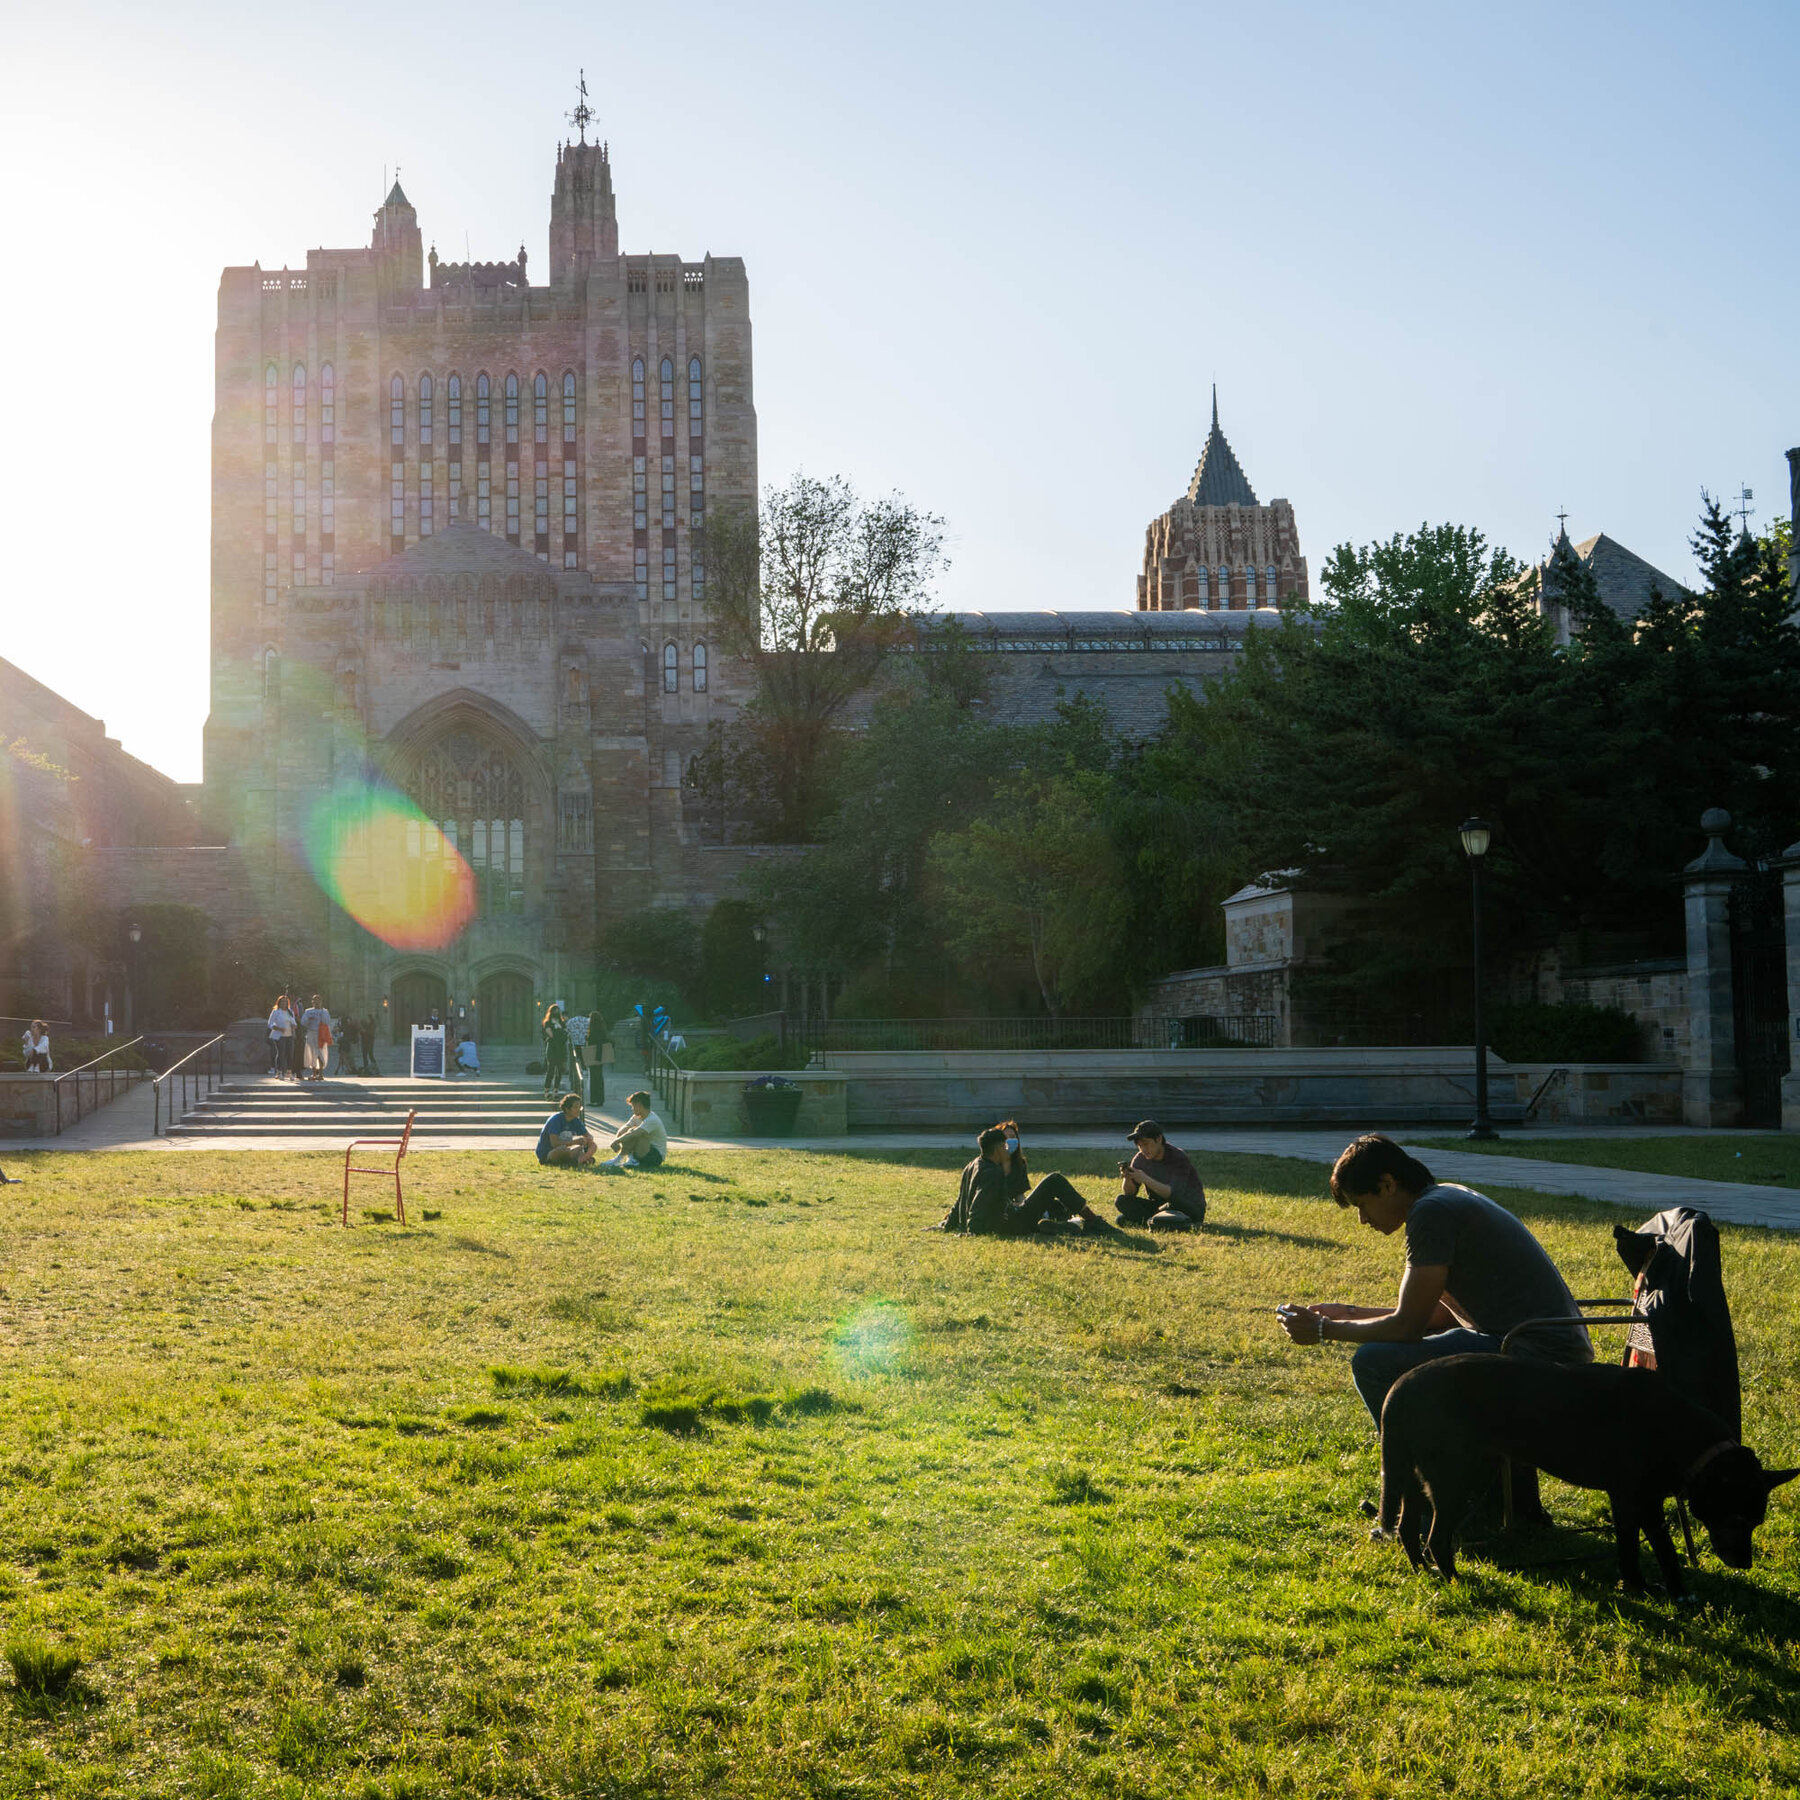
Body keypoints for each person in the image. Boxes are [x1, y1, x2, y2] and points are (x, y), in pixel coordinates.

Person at [1275, 1133, 1592, 1526]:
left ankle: (1426, 1502)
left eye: (1362, 1204)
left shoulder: (1431, 1213)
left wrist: (1324, 1329)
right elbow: (1437, 1317)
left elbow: (1407, 1328)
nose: (1362, 1220)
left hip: (1533, 1355)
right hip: (1538, 1345)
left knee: (1374, 1363)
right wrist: (1348, 1313)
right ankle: (1467, 1499)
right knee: (1394, 1355)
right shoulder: (1446, 1197)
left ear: (1388, 1185)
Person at [1114, 1120, 1207, 1229]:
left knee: (1171, 1204)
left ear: (1158, 1139)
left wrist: (1145, 1179)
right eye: (1139, 1145)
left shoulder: (1178, 1157)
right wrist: (1127, 1178)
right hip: (1159, 1206)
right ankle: (1160, 1223)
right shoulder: (1140, 1159)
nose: (1143, 1149)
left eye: (1146, 1144)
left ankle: (1155, 1222)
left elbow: (1174, 1194)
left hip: (1186, 1205)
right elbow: (1130, 1193)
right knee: (1122, 1201)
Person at [599, 1090, 668, 1170]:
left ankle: (626, 1160)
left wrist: (616, 1141)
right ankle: (624, 1160)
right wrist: (617, 1138)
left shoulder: (652, 1119)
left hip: (655, 1157)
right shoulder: (636, 1117)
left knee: (637, 1133)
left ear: (639, 1105)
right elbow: (624, 1129)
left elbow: (635, 1133)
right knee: (629, 1131)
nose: (632, 1109)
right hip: (643, 1151)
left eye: (633, 1106)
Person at [536, 1091, 597, 1168]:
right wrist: (575, 1142)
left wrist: (588, 1139)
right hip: (550, 1153)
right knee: (568, 1150)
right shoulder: (556, 1120)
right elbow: (554, 1143)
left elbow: (588, 1135)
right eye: (575, 1107)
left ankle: (578, 1161)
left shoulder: (575, 1120)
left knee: (593, 1145)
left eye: (579, 1107)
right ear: (567, 1109)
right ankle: (584, 1159)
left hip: (568, 1150)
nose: (578, 1110)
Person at [541, 1003, 572, 1099]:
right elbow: (551, 1035)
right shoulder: (548, 1023)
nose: (556, 1013)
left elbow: (566, 1034)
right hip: (552, 1049)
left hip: (561, 1049)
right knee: (550, 1070)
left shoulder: (562, 1023)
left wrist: (560, 1033)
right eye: (555, 1011)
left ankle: (556, 1091)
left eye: (558, 1011)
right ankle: (546, 1090)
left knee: (559, 1071)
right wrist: (560, 1034)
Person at [301, 994, 330, 1081]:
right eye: (315, 1000)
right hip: (311, 1033)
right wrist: (309, 1019)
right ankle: (313, 1073)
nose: (316, 1002)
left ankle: (320, 1073)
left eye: (318, 1000)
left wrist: (321, 1016)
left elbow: (327, 1022)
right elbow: (303, 1022)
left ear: (321, 1002)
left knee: (320, 1054)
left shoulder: (324, 1011)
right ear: (312, 1002)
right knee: (312, 1053)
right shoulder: (308, 1011)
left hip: (321, 1034)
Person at [267, 996, 295, 1077]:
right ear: (279, 1003)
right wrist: (278, 1028)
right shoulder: (276, 1012)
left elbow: (294, 1023)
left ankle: (289, 1072)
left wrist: (294, 1026)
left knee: (290, 1054)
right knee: (281, 1053)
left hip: (289, 1035)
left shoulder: (290, 1012)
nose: (284, 1004)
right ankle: (279, 1071)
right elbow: (270, 1024)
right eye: (282, 1002)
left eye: (285, 1002)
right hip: (280, 1036)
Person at [586, 1007, 609, 1106]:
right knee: (598, 1078)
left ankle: (595, 1099)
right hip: (598, 1055)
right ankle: (599, 1099)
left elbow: (597, 1043)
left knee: (595, 1079)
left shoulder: (594, 1030)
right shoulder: (601, 1029)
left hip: (595, 1055)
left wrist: (597, 1057)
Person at [357, 1012, 379, 1077]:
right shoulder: (367, 1025)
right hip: (365, 1042)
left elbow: (370, 1034)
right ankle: (366, 1068)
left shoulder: (371, 1025)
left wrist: (364, 1032)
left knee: (370, 1055)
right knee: (365, 1055)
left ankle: (374, 1067)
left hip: (369, 1042)